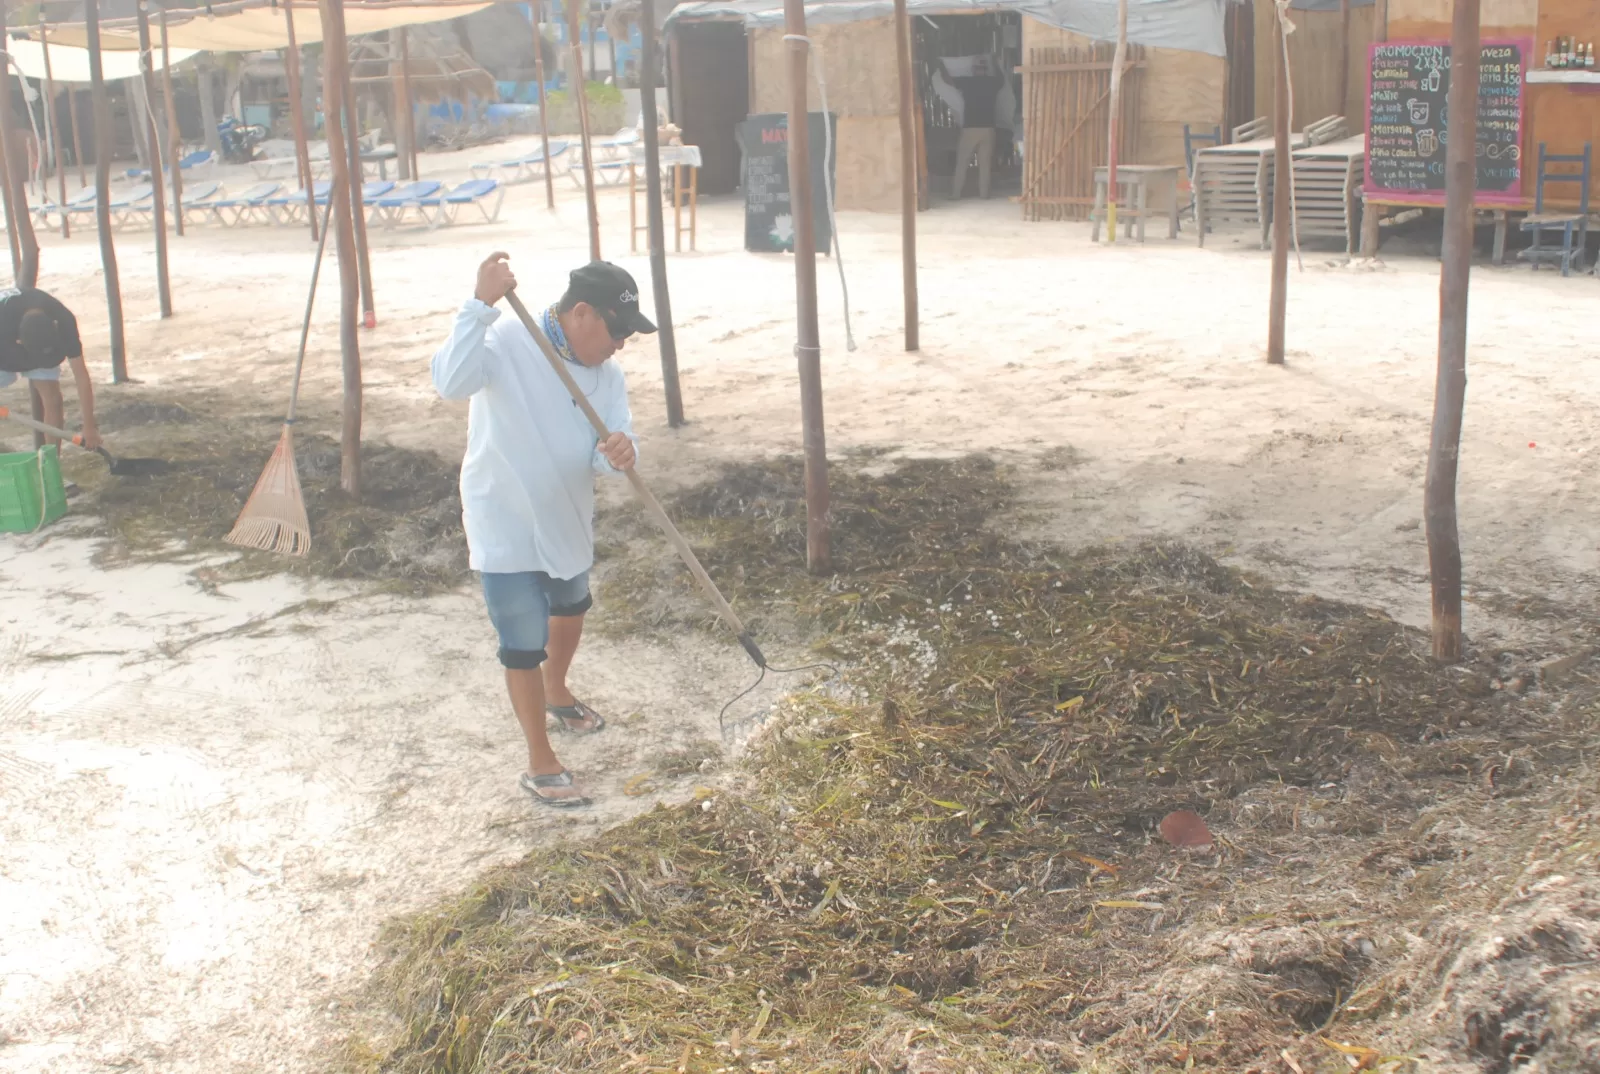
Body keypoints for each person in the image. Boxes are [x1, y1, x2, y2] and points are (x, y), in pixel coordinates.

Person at [431, 255, 654, 809]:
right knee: (523, 642)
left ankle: (558, 690)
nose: (622, 343)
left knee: (572, 603)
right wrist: (477, 306)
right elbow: (451, 382)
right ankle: (540, 758)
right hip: (502, 518)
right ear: (582, 313)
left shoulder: (607, 375)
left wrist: (621, 451)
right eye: (618, 330)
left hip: (566, 515)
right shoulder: (506, 338)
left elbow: (611, 443)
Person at [0, 286, 101, 452]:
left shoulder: (63, 320)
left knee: (53, 400)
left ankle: (51, 462)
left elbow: (81, 376)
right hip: (5, 350)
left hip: (32, 342)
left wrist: (89, 426)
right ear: (19, 341)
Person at [944, 54, 1007, 200]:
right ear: (986, 69)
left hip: (970, 128)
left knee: (962, 162)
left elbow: (948, 80)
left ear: (973, 69)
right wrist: (995, 63)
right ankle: (984, 195)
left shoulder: (967, 82)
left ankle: (956, 194)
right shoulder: (992, 82)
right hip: (988, 129)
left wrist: (941, 66)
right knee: (985, 164)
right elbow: (1002, 80)